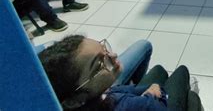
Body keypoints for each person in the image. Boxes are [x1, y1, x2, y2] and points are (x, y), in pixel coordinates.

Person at [39, 36, 202, 110]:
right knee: (182, 73)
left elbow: (120, 92)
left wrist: (146, 91)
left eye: (104, 48)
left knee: (158, 69)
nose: (114, 56)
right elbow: (154, 102)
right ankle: (191, 97)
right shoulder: (131, 105)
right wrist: (151, 94)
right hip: (154, 104)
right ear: (74, 100)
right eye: (99, 63)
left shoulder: (89, 95)